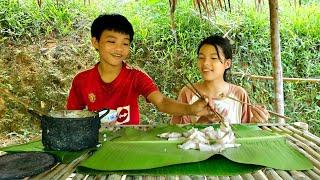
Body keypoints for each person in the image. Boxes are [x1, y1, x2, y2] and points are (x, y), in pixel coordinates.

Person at [66, 13, 214, 125]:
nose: (119, 49)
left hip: (130, 145)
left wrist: (191, 109)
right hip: (96, 145)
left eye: (125, 43)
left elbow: (161, 102)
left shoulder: (136, 77)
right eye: (111, 41)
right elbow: (72, 117)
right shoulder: (82, 80)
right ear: (95, 42)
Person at [171, 35, 270, 124]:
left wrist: (256, 121)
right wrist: (201, 122)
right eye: (201, 58)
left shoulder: (239, 95)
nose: (205, 63)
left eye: (213, 58)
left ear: (227, 64)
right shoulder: (188, 93)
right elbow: (177, 133)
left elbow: (245, 131)